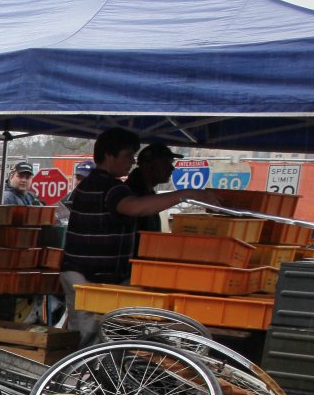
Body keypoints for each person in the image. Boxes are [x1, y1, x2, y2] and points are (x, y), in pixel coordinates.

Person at [61, 127, 213, 343]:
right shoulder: (110, 186)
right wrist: (185, 194)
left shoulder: (94, 183)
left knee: (91, 337)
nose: (132, 161)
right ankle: (87, 365)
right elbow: (134, 207)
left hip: (87, 274)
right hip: (86, 276)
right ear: (109, 155)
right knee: (90, 338)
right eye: (128, 155)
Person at [125, 143, 180, 233]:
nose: (171, 168)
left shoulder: (145, 191)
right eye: (166, 163)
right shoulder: (134, 193)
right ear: (148, 165)